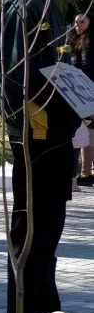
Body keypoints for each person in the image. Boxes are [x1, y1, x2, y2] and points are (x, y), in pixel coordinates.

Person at [0, 0, 94, 313]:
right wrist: (71, 93)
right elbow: (23, 76)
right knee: (31, 222)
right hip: (35, 130)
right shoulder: (24, 5)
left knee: (51, 223)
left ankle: (48, 310)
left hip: (57, 130)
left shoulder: (49, 2)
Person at [67, 12, 94, 186]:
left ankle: (85, 174)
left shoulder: (89, 40)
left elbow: (87, 67)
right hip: (80, 90)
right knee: (87, 129)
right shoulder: (75, 39)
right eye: (76, 21)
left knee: (85, 128)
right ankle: (85, 174)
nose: (78, 24)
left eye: (82, 21)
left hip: (85, 91)